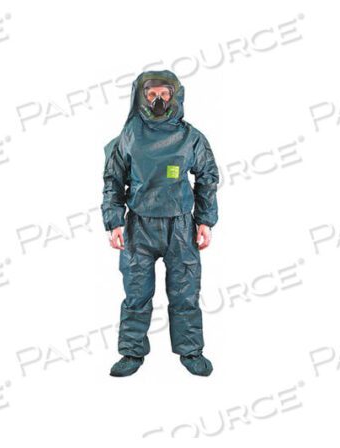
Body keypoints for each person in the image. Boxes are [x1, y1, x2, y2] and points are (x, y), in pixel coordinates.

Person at [101, 70, 219, 377]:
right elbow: (113, 180)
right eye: (152, 94)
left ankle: (191, 351)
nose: (158, 100)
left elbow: (207, 178)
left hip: (180, 226)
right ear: (141, 96)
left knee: (185, 291)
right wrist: (114, 222)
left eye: (164, 94)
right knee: (136, 292)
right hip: (138, 226)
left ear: (175, 96)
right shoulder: (129, 136)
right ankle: (131, 352)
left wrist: (205, 221)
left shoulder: (191, 137)